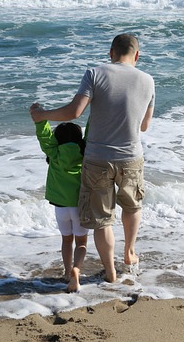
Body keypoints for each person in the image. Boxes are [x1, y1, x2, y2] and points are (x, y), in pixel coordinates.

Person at [30, 34, 155, 283]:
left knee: (101, 219)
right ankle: (129, 253)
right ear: (137, 56)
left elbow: (74, 111)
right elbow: (144, 126)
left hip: (98, 158)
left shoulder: (95, 73)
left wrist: (41, 115)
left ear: (111, 53)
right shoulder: (148, 80)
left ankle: (110, 271)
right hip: (131, 156)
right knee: (132, 207)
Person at [30, 110, 88, 293]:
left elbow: (44, 136)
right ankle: (76, 270)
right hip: (80, 206)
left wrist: (40, 119)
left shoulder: (53, 152)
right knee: (81, 243)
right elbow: (94, 131)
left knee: (66, 240)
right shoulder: (84, 150)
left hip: (61, 207)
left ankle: (66, 271)